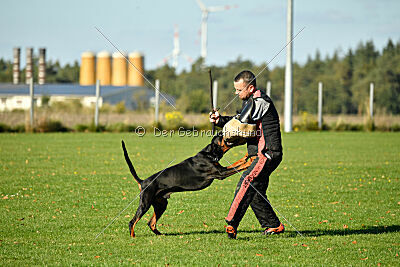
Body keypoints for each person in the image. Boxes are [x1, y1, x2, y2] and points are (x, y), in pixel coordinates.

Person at [209, 70, 284, 239]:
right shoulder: (252, 102)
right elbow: (239, 118)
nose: (236, 93)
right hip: (262, 155)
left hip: (267, 154)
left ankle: (231, 223)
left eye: (239, 90)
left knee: (247, 180)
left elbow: (240, 124)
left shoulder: (261, 102)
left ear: (250, 88)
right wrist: (219, 120)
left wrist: (225, 134)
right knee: (256, 192)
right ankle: (273, 225)